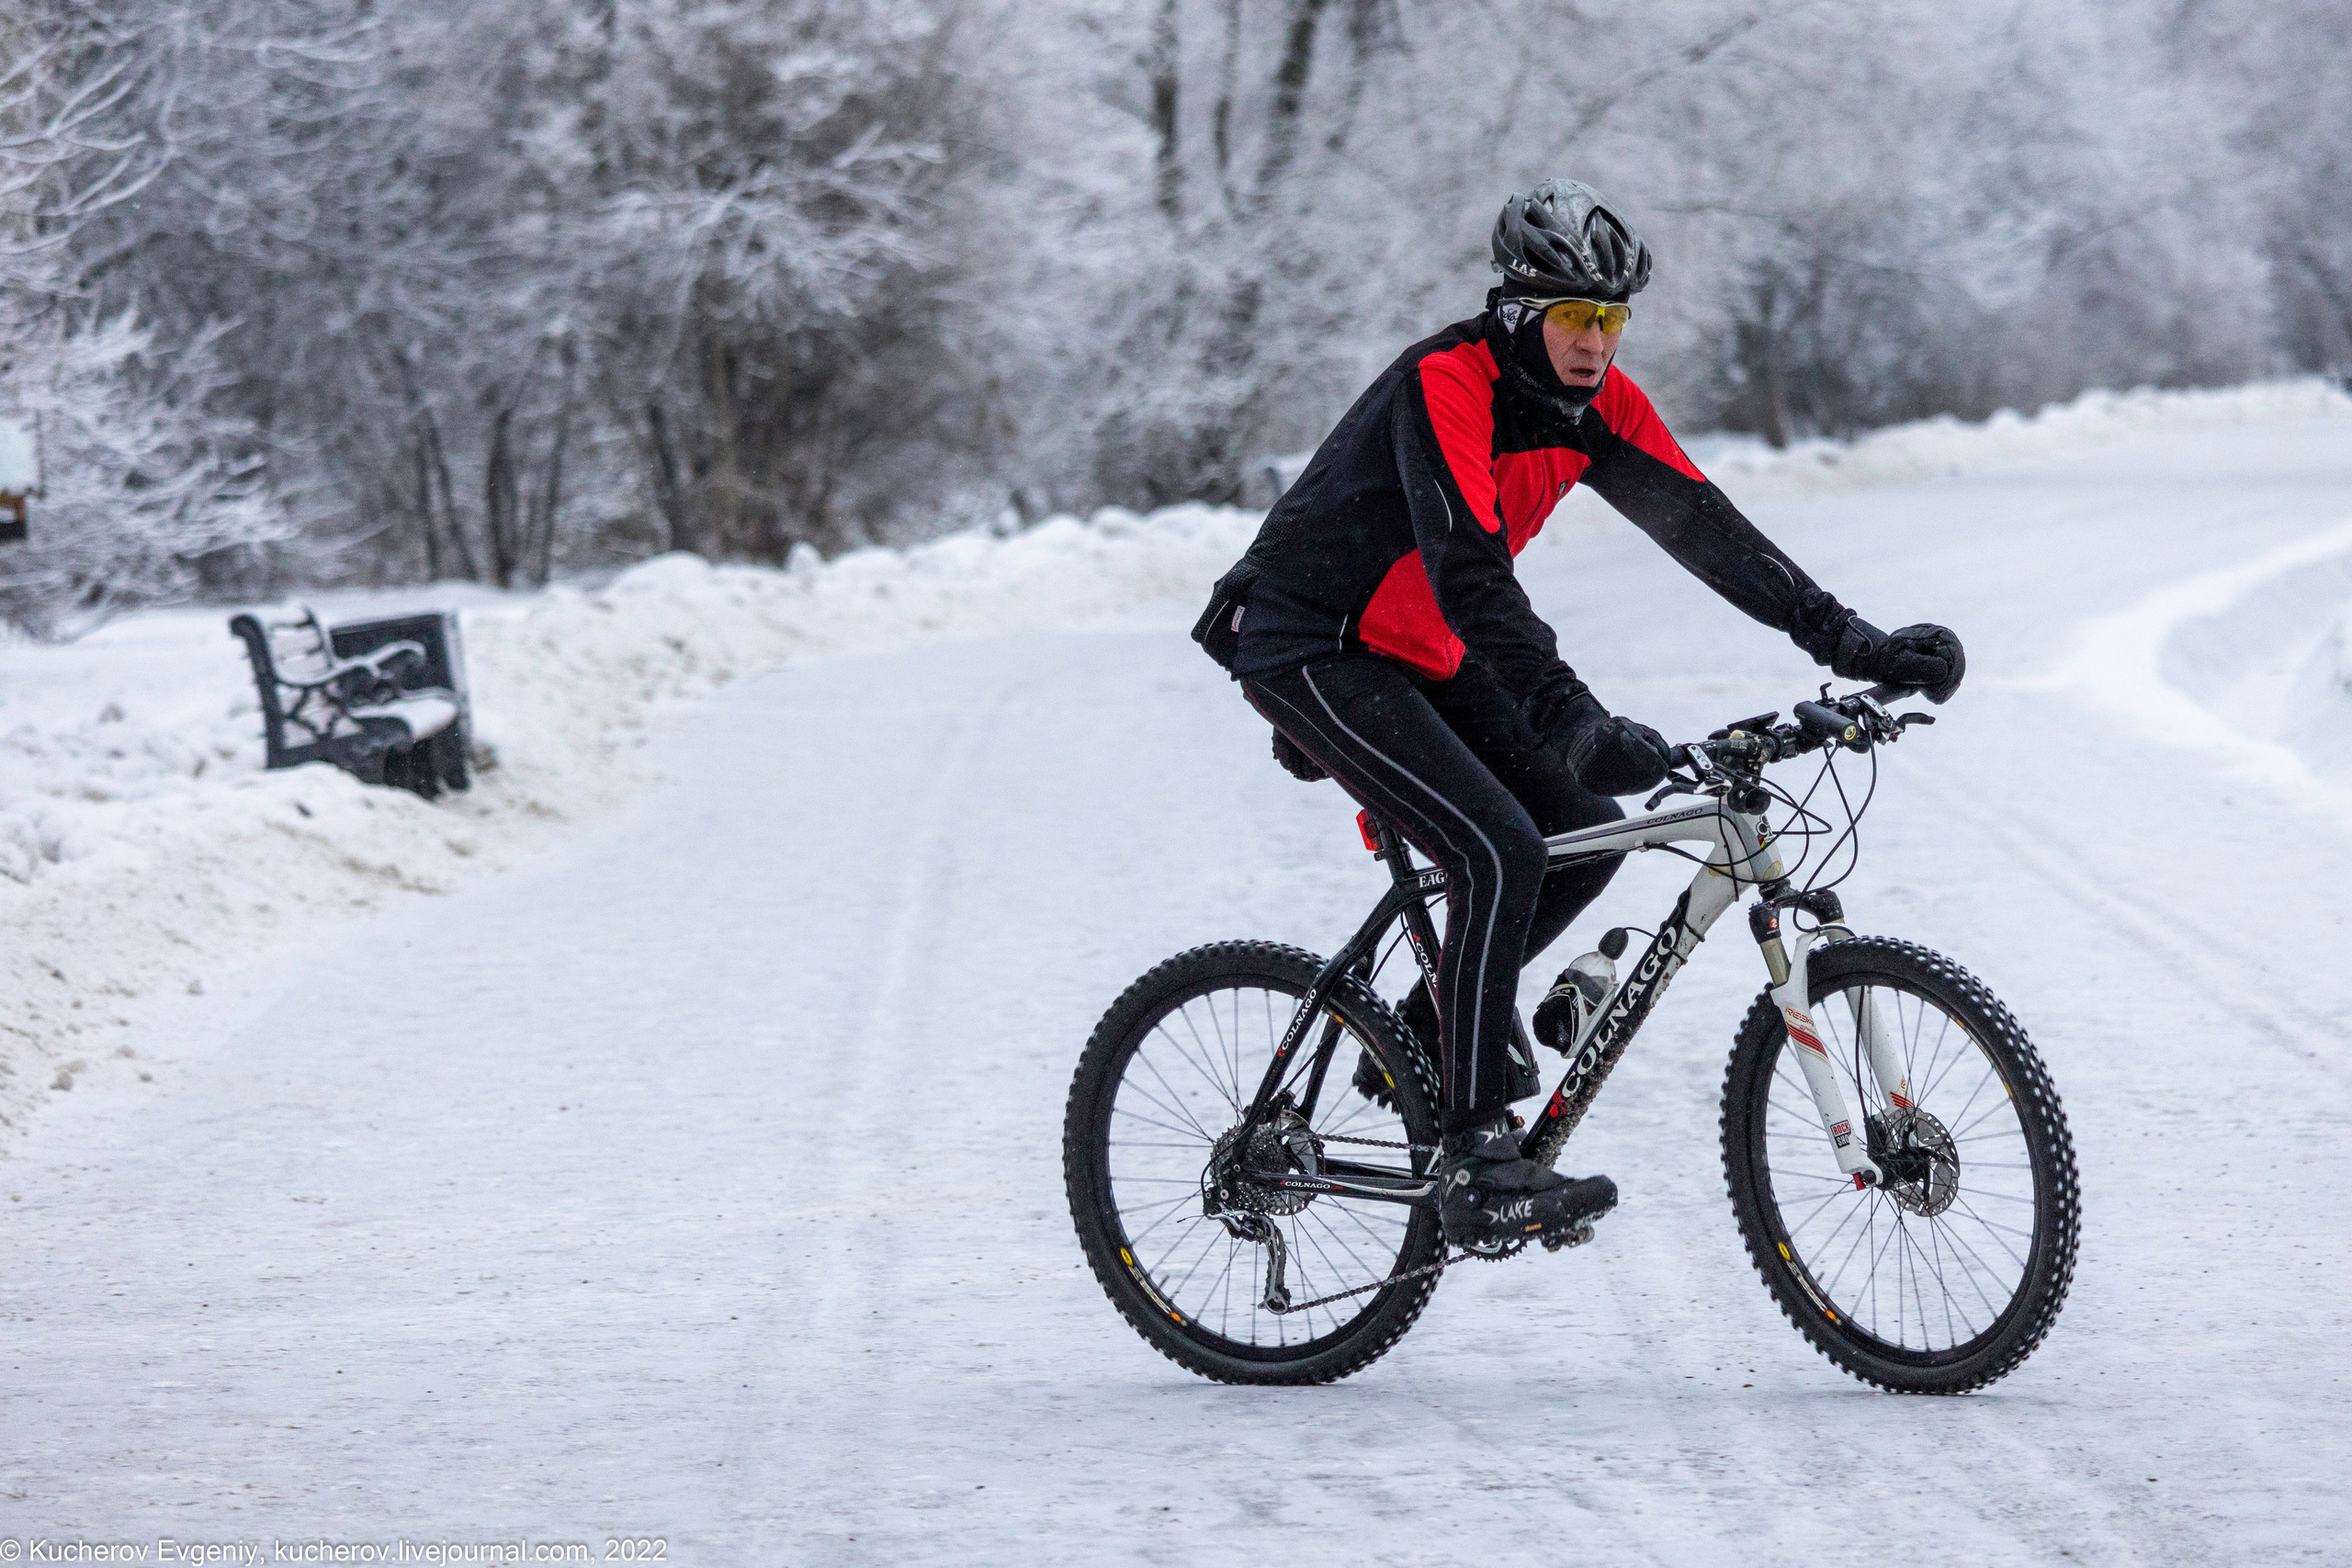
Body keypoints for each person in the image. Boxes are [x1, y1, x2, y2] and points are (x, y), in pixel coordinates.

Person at [1191, 179, 1963, 1247]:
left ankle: (1419, 1036)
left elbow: (1705, 528)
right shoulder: (1445, 383)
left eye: (1611, 320)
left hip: (1419, 647)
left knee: (1583, 839)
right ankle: (1471, 1157)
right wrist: (1572, 715)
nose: (1597, 343)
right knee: (1499, 848)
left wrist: (1853, 642)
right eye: (1575, 319)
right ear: (1519, 313)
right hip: (1309, 640)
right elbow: (1466, 569)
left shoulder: (1601, 408)